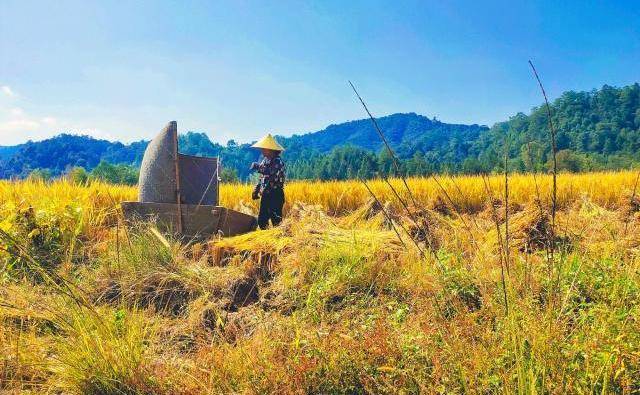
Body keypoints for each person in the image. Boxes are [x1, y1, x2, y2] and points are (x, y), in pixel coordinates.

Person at [249, 134, 286, 229]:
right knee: (262, 221)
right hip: (266, 195)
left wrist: (257, 166)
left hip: (275, 194)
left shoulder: (278, 161)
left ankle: (278, 242)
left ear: (271, 149)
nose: (261, 151)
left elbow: (271, 173)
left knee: (276, 221)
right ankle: (265, 242)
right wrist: (256, 190)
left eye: (263, 149)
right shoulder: (265, 160)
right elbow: (262, 177)